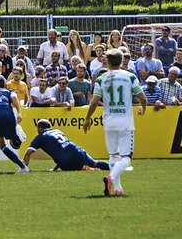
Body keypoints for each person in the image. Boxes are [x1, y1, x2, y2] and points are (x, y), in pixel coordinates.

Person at [83, 49, 147, 196]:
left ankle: (118, 188)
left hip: (109, 121)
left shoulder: (101, 79)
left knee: (113, 155)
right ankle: (110, 178)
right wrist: (143, 109)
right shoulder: (130, 77)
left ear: (107, 61)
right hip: (125, 122)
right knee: (126, 158)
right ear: (121, 60)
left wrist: (87, 119)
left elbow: (94, 102)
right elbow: (142, 98)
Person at [23, 119, 110, 171]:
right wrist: (55, 169)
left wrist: (24, 168)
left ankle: (91, 170)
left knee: (84, 168)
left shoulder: (40, 137)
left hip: (67, 161)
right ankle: (114, 167)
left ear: (40, 128)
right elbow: (63, 149)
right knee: (94, 163)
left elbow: (28, 152)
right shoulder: (57, 131)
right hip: (77, 150)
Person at [0, 75, 29, 173]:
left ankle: (23, 167)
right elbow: (14, 97)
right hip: (6, 113)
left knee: (2, 145)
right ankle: (15, 135)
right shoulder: (8, 91)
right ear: (5, 85)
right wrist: (19, 112)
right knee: (14, 144)